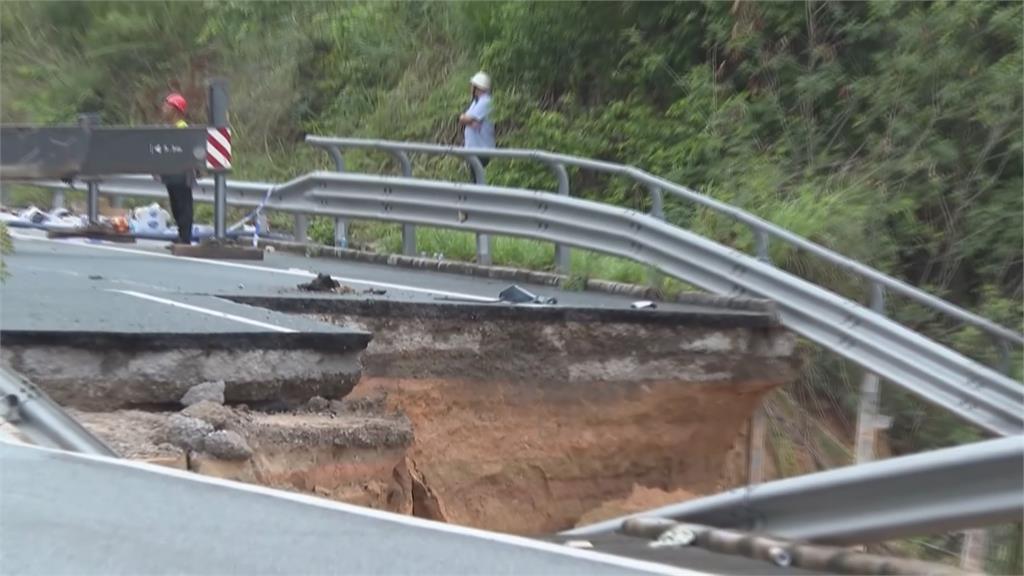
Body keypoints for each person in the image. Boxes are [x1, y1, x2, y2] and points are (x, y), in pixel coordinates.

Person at [159, 92, 194, 245]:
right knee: (175, 205)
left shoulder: (182, 129)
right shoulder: (169, 128)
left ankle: (185, 237)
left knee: (183, 204)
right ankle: (181, 235)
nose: (163, 109)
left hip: (181, 174)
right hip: (172, 173)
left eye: (167, 106)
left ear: (176, 110)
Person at [458, 72, 495, 179]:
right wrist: (467, 120)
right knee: (475, 179)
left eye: (472, 86)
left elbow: (466, 118)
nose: (470, 88)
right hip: (474, 149)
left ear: (477, 87)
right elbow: (464, 119)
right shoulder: (476, 102)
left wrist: (467, 120)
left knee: (480, 180)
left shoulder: (486, 102)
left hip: (482, 150)